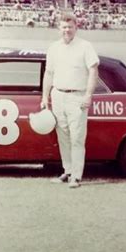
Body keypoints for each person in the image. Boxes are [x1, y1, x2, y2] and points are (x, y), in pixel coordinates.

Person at [41, 13, 99, 188]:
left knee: (77, 138)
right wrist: (45, 97)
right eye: (64, 27)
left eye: (70, 27)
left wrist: (88, 95)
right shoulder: (54, 48)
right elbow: (49, 73)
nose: (67, 30)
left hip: (77, 96)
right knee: (63, 137)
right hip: (57, 95)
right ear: (59, 28)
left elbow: (94, 72)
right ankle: (67, 171)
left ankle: (77, 176)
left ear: (76, 28)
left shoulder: (85, 46)